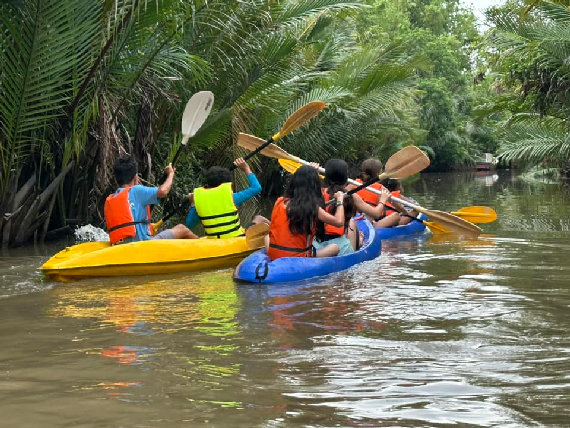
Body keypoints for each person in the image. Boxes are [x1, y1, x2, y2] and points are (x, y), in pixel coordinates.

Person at [104, 156, 197, 245]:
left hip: (119, 247)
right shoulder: (136, 191)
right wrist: (171, 174)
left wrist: (146, 226)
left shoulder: (110, 199)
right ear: (136, 178)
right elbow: (163, 191)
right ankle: (205, 247)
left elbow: (128, 221)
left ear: (116, 180)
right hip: (141, 246)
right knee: (182, 229)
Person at [267, 165, 345, 261]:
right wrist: (340, 200)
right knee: (335, 247)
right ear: (315, 186)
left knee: (267, 237)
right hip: (298, 258)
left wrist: (311, 171)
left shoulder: (279, 201)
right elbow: (339, 222)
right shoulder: (312, 208)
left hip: (274, 255)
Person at [315, 159, 391, 254]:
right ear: (345, 177)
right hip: (339, 245)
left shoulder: (317, 192)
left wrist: (313, 174)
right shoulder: (350, 195)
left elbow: (308, 186)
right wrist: (383, 200)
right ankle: (354, 248)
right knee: (351, 222)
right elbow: (376, 213)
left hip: (317, 243)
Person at [185, 157, 269, 238]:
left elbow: (188, 225)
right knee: (259, 218)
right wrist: (246, 169)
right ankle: (277, 237)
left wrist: (193, 204)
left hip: (214, 242)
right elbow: (256, 188)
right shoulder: (232, 198)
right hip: (237, 239)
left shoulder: (200, 200)